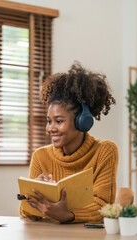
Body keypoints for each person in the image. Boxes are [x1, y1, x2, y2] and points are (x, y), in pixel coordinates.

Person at [19, 63, 118, 223]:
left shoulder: (105, 151)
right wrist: (34, 195)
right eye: (48, 121)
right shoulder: (40, 156)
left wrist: (68, 215)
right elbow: (28, 214)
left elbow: (104, 207)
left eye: (58, 121)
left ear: (82, 122)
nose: (50, 128)